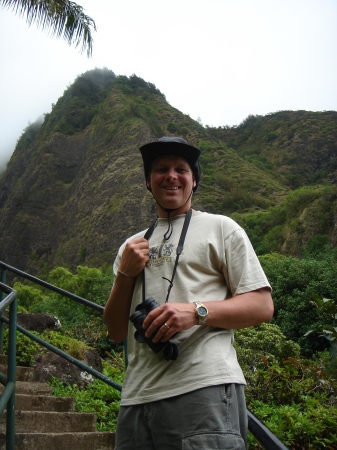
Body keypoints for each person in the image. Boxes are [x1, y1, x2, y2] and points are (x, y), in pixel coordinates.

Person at [104, 136, 274, 450]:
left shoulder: (222, 228)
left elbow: (262, 305)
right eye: (160, 169)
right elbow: (116, 330)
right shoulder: (131, 246)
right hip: (136, 399)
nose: (171, 175)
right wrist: (126, 273)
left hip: (203, 389)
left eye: (181, 169)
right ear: (148, 181)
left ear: (194, 180)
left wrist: (195, 312)